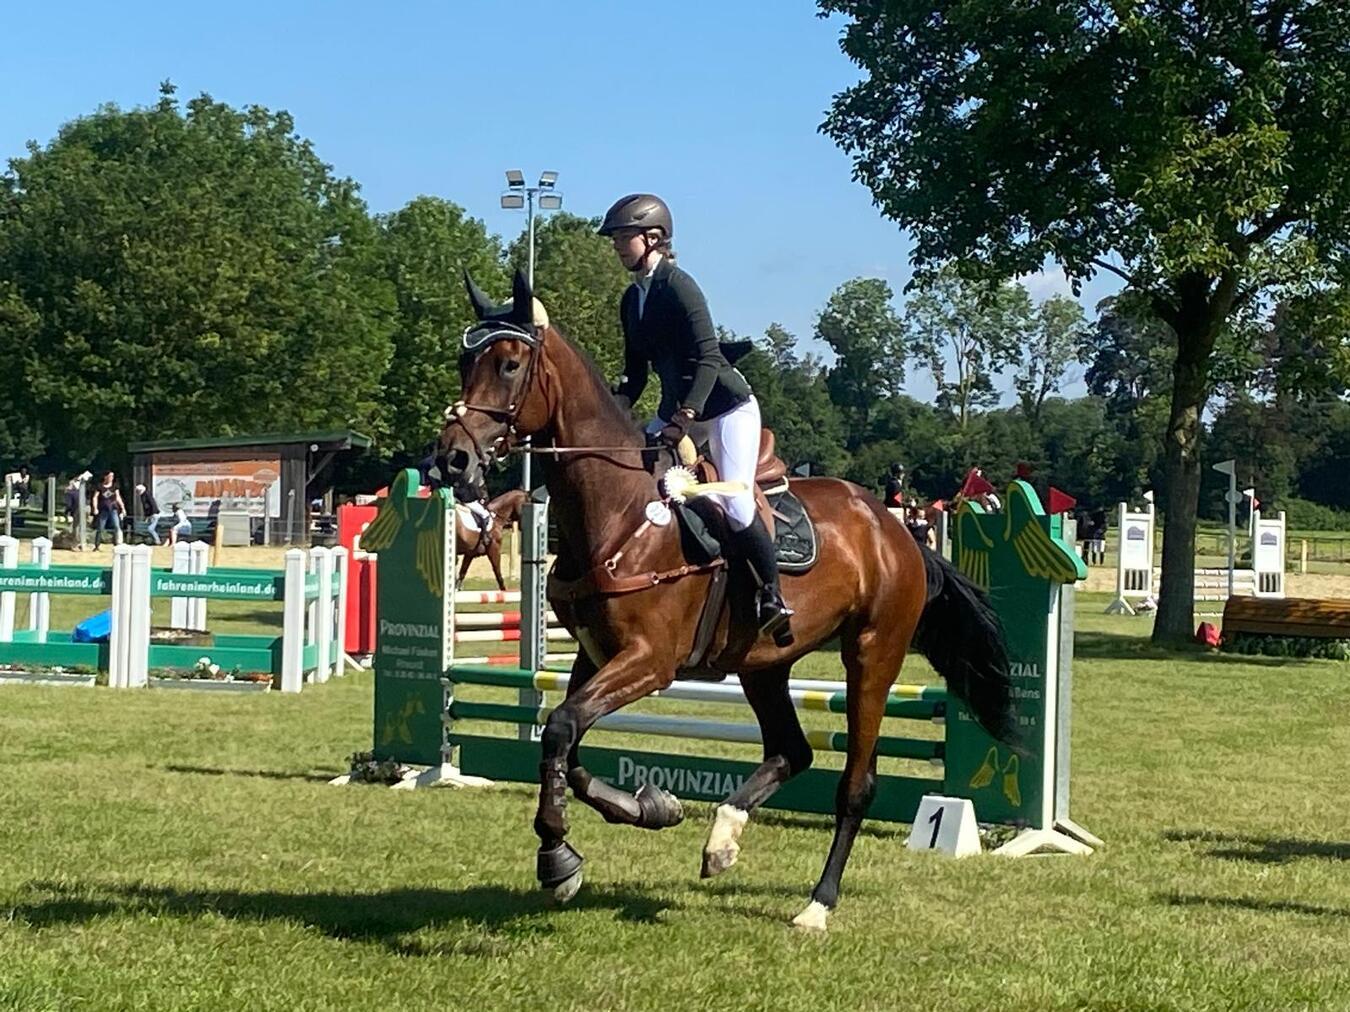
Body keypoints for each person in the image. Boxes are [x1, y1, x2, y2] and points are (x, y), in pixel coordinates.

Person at [599, 192, 792, 643]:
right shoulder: (633, 300)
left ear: (653, 238)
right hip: (674, 413)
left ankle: (772, 596)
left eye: (623, 238)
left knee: (735, 501)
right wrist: (611, 416)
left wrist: (685, 417)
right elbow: (634, 376)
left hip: (724, 407)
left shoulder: (679, 285)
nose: (616, 246)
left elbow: (708, 358)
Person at [90, 471, 125, 551]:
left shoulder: (115, 486)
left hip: (113, 509)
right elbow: (95, 497)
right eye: (110, 476)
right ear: (105, 477)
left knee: (116, 526)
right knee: (100, 528)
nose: (111, 478)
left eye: (112, 476)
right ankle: (97, 545)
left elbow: (118, 497)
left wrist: (122, 508)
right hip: (103, 510)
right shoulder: (100, 486)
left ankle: (117, 544)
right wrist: (95, 508)